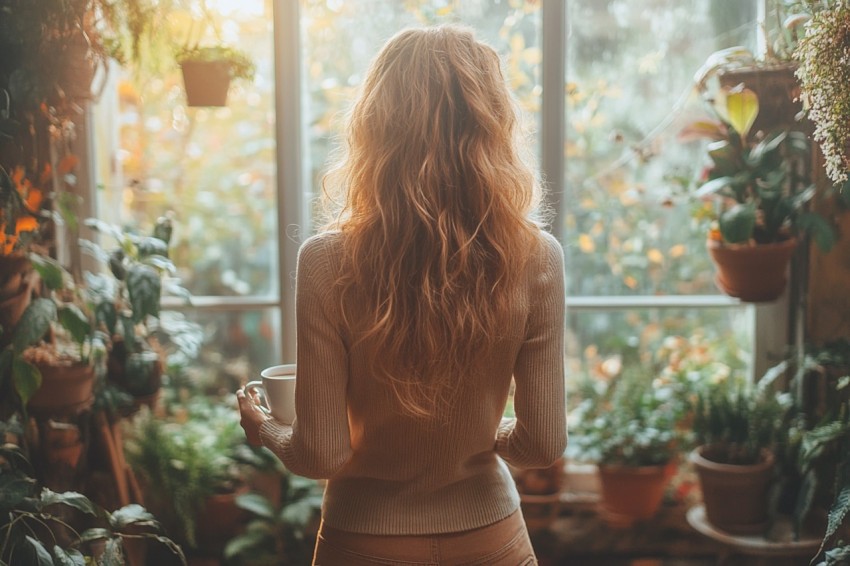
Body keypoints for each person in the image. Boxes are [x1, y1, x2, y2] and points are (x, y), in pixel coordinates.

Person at [237, 24, 566, 566]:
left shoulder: (324, 261)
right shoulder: (537, 257)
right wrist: (481, 436)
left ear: (374, 125)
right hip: (492, 539)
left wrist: (264, 425)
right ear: (492, 126)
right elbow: (543, 444)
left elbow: (322, 454)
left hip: (361, 540)